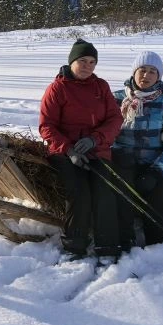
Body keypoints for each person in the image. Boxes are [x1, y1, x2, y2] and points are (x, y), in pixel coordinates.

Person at [39, 39, 123, 258]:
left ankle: (108, 246)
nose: (87, 66)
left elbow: (115, 118)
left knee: (105, 189)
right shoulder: (57, 88)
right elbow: (46, 126)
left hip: (97, 150)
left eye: (92, 62)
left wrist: (96, 139)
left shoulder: (101, 86)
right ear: (72, 62)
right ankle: (74, 245)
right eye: (82, 61)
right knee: (79, 191)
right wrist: (69, 150)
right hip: (65, 153)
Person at [111, 51, 163, 250]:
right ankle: (123, 241)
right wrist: (115, 154)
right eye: (142, 70)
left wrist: (157, 171)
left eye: (153, 71)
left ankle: (157, 247)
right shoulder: (116, 99)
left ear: (158, 76)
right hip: (122, 160)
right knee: (120, 194)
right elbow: (105, 133)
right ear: (134, 72)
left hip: (154, 163)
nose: (147, 75)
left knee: (159, 199)